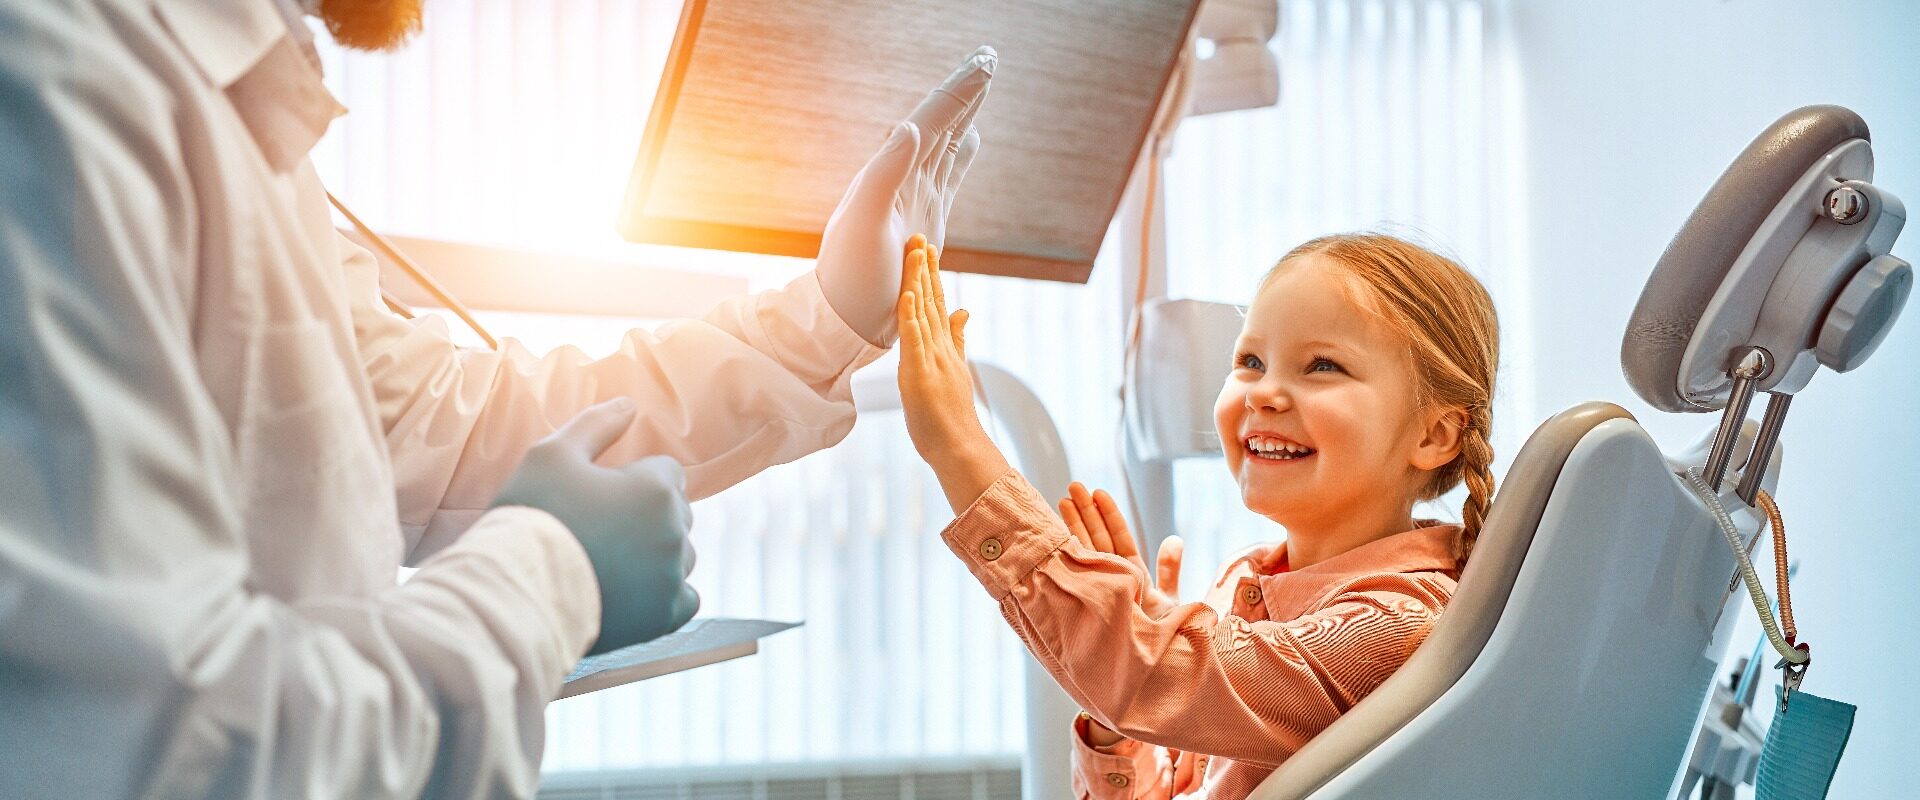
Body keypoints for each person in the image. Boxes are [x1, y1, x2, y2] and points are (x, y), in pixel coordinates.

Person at [0, 0, 993, 795]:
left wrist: (826, 313)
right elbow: (160, 748)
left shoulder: (222, 104)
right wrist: (548, 572)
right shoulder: (58, 89)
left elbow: (456, 422)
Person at [894, 233, 1501, 798]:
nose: (1264, 392)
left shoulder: (1398, 625)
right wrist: (1119, 723)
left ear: (1437, 433)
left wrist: (959, 446)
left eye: (1322, 366)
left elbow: (1167, 675)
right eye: (1251, 361)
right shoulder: (1243, 584)